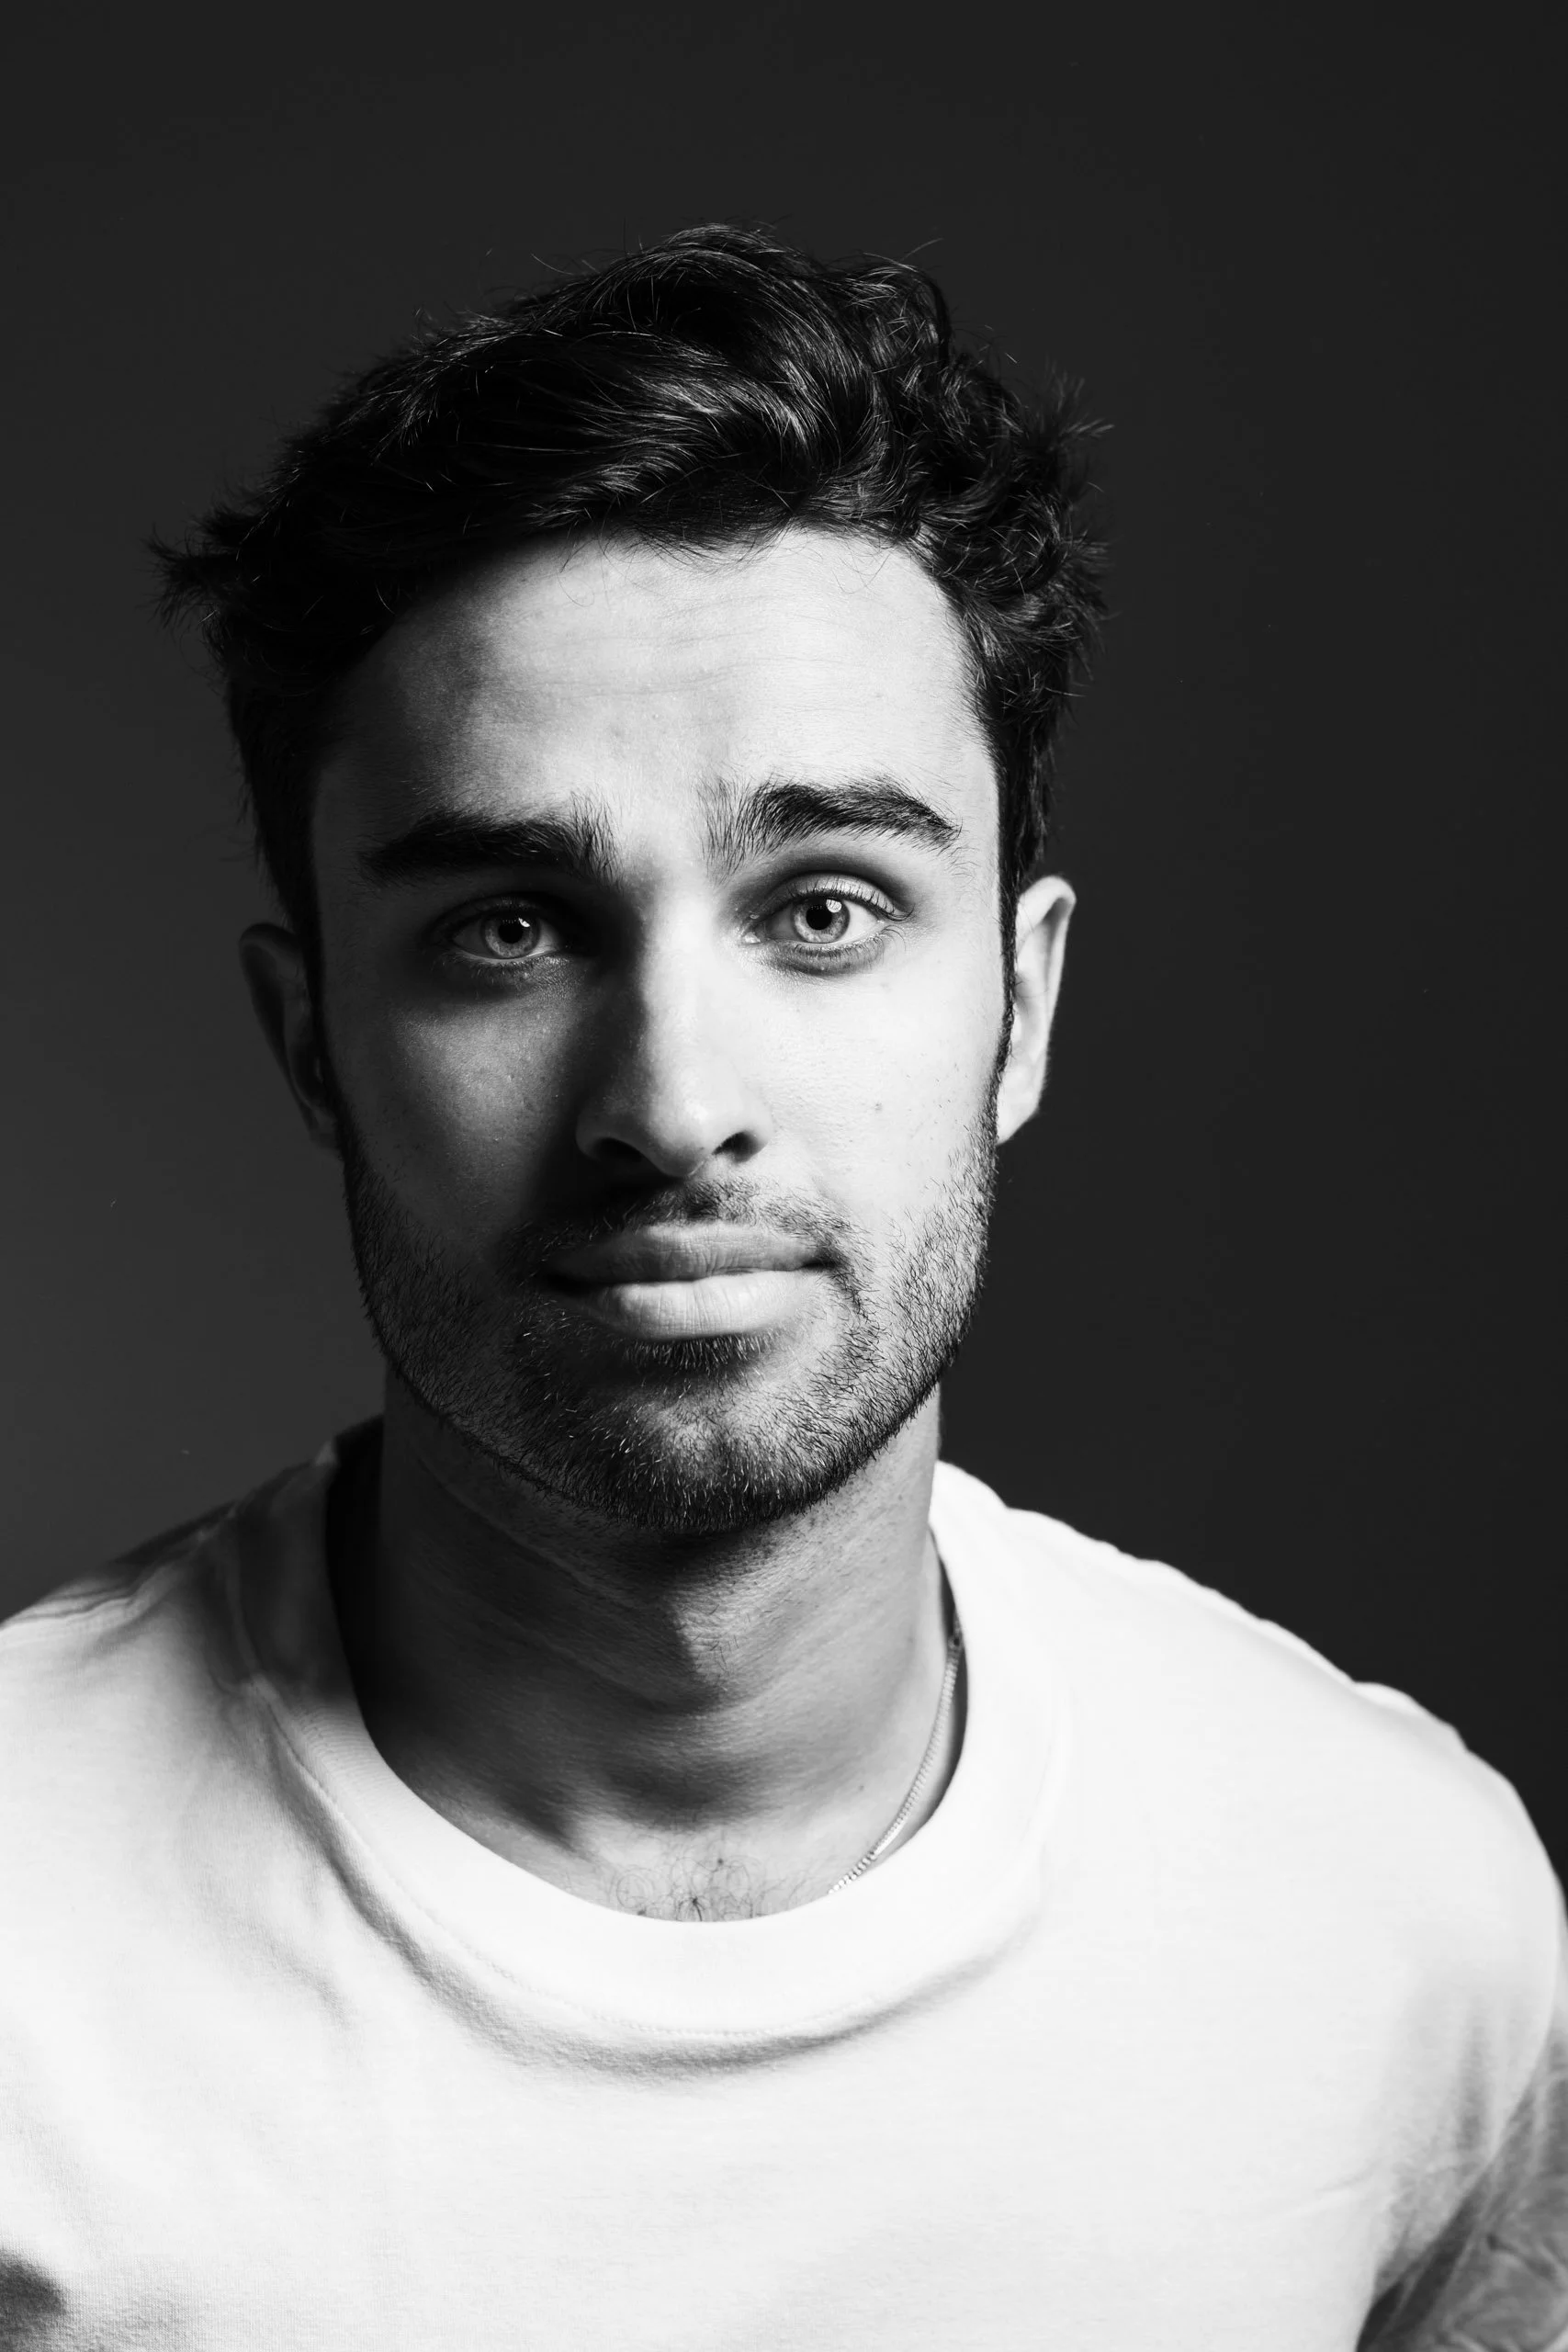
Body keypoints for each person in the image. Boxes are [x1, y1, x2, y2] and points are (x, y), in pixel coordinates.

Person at [1, 224, 1562, 2349]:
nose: (671, 1103)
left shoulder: (1402, 1918)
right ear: (314, 1041)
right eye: (506, 928)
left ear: (1018, 1005)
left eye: (824, 906)